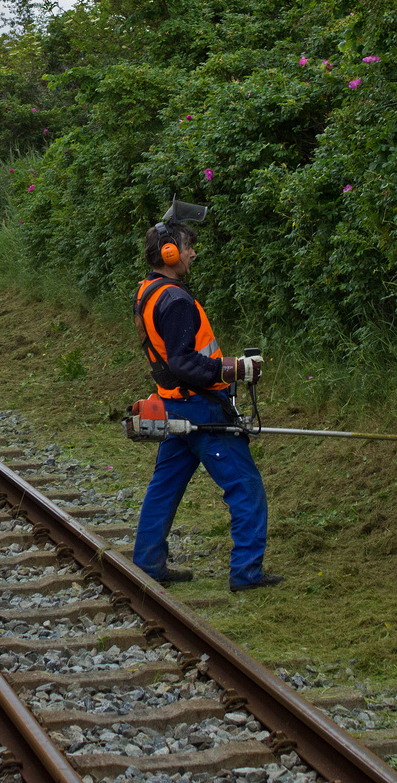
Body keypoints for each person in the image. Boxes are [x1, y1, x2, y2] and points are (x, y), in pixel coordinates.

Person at [132, 206, 283, 592]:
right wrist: (231, 369)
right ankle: (247, 574)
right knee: (245, 488)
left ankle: (147, 565)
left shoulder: (147, 292)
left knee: (164, 487)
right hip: (201, 409)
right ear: (168, 253)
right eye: (186, 247)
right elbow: (182, 360)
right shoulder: (176, 300)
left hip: (174, 405)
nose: (192, 253)